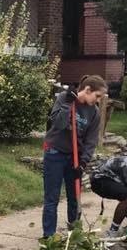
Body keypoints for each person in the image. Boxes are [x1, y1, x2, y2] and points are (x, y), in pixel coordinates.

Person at [42, 75, 108, 238]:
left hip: (74, 158)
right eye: (97, 96)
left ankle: (74, 234)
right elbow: (58, 124)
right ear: (87, 90)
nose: (98, 100)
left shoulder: (94, 112)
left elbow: (91, 141)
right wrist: (68, 104)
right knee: (52, 197)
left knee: (74, 198)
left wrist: (83, 163)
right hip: (54, 153)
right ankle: (48, 236)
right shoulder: (64, 98)